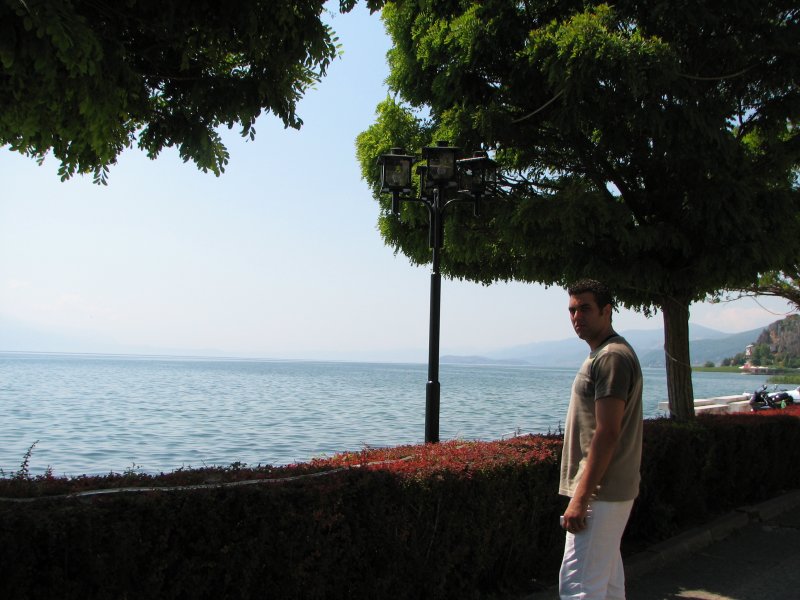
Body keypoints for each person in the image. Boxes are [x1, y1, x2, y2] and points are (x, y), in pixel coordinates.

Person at [558, 279, 643, 599]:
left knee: (579, 588)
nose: (577, 316)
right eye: (572, 310)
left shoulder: (611, 357)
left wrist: (581, 497)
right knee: (607, 588)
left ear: (607, 311)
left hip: (599, 493)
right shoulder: (606, 354)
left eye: (585, 308)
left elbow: (607, 432)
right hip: (607, 492)